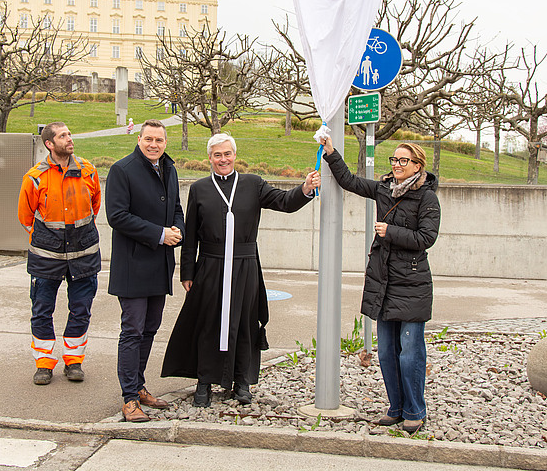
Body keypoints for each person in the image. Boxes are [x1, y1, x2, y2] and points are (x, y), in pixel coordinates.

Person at [162, 133, 321, 407]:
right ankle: (204, 381)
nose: (223, 159)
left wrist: (305, 188)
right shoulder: (200, 188)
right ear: (209, 158)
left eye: (227, 154)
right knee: (208, 323)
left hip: (245, 265)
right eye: (217, 155)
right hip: (210, 265)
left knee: (245, 322)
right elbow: (191, 234)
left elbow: (284, 201)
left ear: (235, 155)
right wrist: (187, 272)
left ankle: (242, 381)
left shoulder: (252, 183)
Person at [317, 134, 440, 434]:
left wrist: (391, 231)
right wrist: (331, 152)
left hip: (412, 284)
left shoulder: (427, 197)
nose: (397, 165)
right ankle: (395, 408)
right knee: (385, 351)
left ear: (417, 166)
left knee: (410, 351)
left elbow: (427, 238)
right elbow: (350, 182)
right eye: (394, 159)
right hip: (383, 282)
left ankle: (414, 410)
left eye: (403, 160)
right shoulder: (384, 189)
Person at [106, 119, 185, 423]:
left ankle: (138, 387)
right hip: (133, 266)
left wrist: (178, 229)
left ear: (166, 142)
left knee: (150, 329)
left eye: (159, 140)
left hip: (160, 265)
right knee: (133, 331)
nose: (154, 145)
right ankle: (128, 399)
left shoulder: (169, 168)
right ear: (139, 139)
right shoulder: (122, 170)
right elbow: (117, 216)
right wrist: (159, 234)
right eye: (148, 139)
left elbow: (176, 205)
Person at [18, 122, 102, 386]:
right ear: (49, 144)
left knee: (81, 309)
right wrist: (50, 239)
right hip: (46, 256)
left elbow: (94, 206)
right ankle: (44, 363)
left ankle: (73, 361)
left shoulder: (88, 171)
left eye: (69, 133)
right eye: (63, 136)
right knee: (42, 309)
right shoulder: (35, 177)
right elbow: (25, 217)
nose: (70, 139)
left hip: (84, 254)